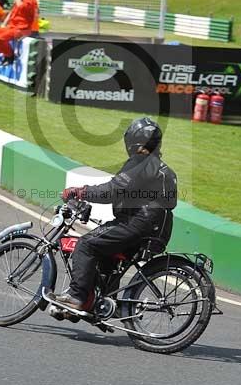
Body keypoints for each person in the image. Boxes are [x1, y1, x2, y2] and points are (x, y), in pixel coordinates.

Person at [48, 117, 177, 311]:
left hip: (137, 224)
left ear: (133, 142)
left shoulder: (140, 162)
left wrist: (81, 191)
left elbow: (113, 190)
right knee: (107, 255)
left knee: (85, 245)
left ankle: (76, 296)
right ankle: (104, 305)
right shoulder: (163, 168)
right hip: (159, 229)